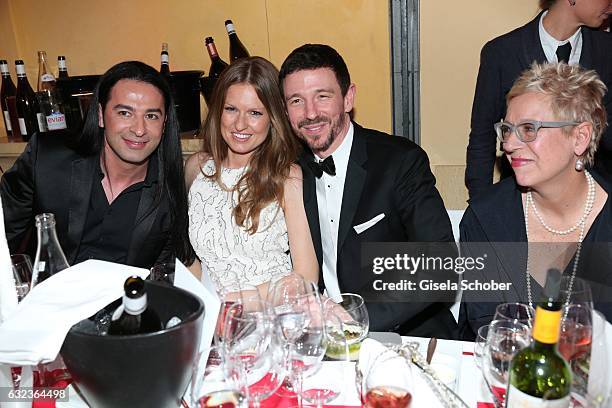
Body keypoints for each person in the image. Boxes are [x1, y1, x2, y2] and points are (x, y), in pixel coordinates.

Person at [279, 44, 458, 338]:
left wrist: (352, 315)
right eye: (296, 101)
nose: (310, 113)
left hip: (404, 334)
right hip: (321, 338)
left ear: (348, 98)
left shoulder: (398, 162)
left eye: (322, 97)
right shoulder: (290, 172)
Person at [459, 62, 612, 339]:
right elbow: (484, 325)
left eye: (529, 129)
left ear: (580, 137)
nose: (508, 144)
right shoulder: (486, 219)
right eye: (507, 129)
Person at [1, 61, 194, 268]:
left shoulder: (172, 189)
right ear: (101, 115)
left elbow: (165, 270)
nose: (139, 129)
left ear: (164, 125)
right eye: (124, 113)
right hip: (46, 294)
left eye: (151, 116)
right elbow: (4, 233)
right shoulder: (47, 160)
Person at [185, 56, 318, 293]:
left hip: (269, 316)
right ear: (218, 111)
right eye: (231, 109)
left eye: (255, 113)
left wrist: (237, 304)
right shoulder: (197, 168)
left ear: (273, 118)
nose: (240, 124)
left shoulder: (287, 177)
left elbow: (306, 278)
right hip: (211, 317)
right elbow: (191, 259)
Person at [465, 0, 612, 199]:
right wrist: (480, 205)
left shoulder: (606, 50)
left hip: (594, 200)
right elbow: (482, 138)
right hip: (520, 200)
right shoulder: (502, 53)